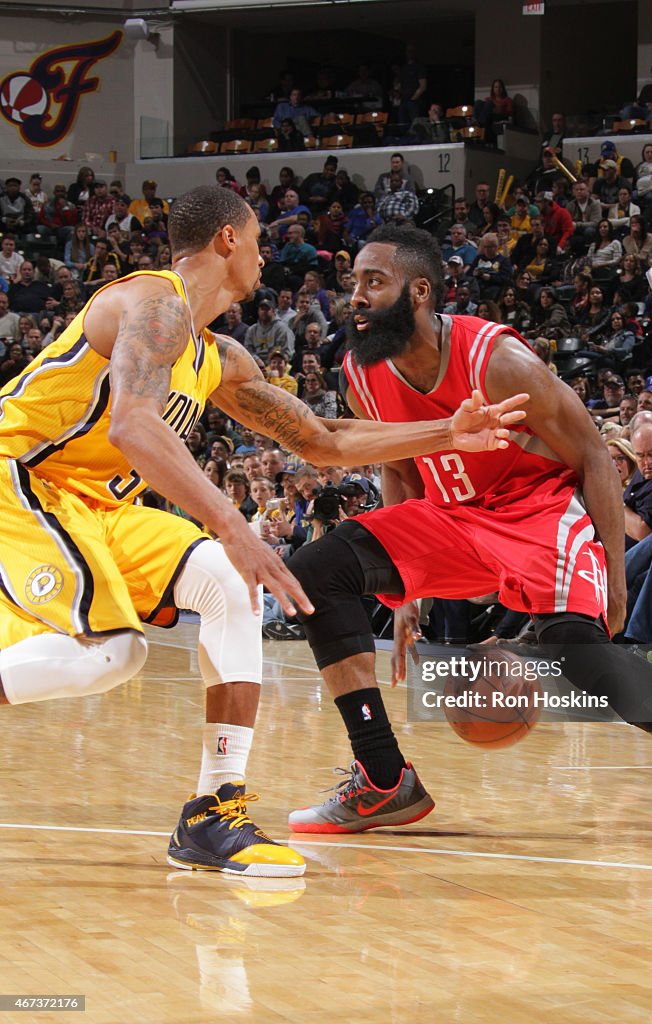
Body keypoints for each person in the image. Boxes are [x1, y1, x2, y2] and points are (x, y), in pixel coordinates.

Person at [0, 187, 525, 878]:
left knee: (228, 584)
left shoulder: (213, 354)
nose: (263, 255)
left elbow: (318, 439)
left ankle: (213, 813)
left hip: (96, 504)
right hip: (23, 480)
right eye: (256, 241)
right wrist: (228, 520)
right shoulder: (153, 304)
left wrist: (444, 431)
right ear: (226, 240)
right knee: (114, 653)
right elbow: (133, 424)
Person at [284, 223, 652, 850]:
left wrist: (614, 575)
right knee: (315, 569)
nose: (356, 297)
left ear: (419, 291)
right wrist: (405, 593)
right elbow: (398, 467)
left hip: (535, 511)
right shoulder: (361, 373)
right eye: (353, 283)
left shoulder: (498, 362)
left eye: (374, 282)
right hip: (452, 516)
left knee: (579, 650)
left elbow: (593, 458)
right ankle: (384, 776)